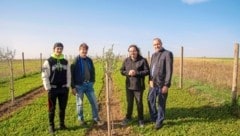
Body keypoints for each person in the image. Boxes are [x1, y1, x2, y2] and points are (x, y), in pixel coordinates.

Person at [71, 43, 103, 126]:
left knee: (94, 102)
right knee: (80, 104)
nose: (84, 51)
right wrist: (73, 87)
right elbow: (71, 74)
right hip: (79, 86)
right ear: (79, 50)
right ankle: (81, 119)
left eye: (85, 50)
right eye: (82, 50)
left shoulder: (89, 60)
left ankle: (96, 118)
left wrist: (93, 80)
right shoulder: (75, 60)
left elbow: (93, 70)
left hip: (89, 85)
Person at [41, 42, 71, 134]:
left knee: (62, 108)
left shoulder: (66, 61)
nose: (59, 50)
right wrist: (48, 87)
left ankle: (62, 124)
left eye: (61, 48)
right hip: (52, 89)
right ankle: (51, 126)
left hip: (63, 89)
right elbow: (44, 75)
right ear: (54, 49)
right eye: (57, 48)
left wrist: (68, 86)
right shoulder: (48, 61)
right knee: (51, 108)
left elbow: (69, 74)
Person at [120, 44, 150, 127]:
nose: (132, 52)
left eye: (134, 51)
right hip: (129, 86)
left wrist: (136, 73)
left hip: (138, 86)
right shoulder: (126, 60)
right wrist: (127, 73)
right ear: (129, 52)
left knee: (139, 103)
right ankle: (128, 117)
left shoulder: (143, 60)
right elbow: (122, 71)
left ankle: (141, 119)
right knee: (129, 103)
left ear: (137, 51)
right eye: (130, 51)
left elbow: (147, 71)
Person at [148, 38, 173, 130]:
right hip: (153, 84)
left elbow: (169, 70)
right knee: (150, 100)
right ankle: (154, 117)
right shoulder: (154, 55)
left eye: (158, 44)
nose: (156, 46)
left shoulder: (167, 54)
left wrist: (166, 85)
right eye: (154, 45)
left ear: (161, 43)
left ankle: (159, 121)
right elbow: (151, 69)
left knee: (161, 103)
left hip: (162, 84)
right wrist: (150, 80)